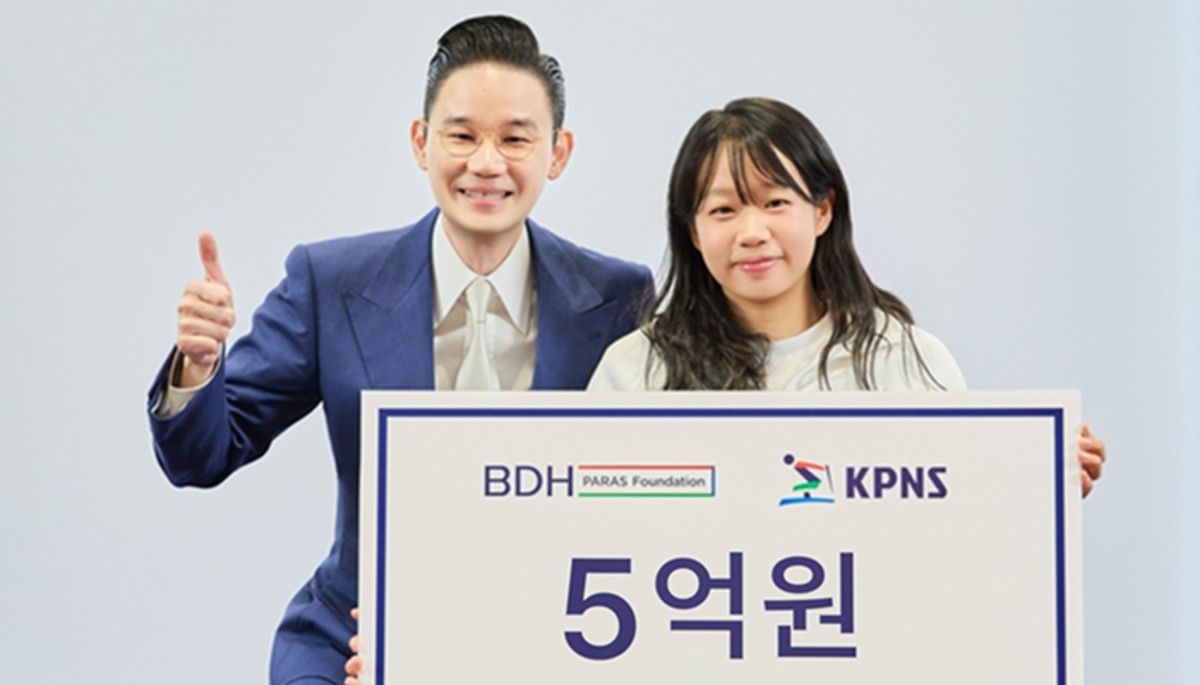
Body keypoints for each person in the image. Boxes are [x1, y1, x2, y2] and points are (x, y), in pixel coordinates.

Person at [147, 15, 652, 685]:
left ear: (557, 152)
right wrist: (198, 366)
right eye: (462, 135)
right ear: (421, 141)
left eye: (515, 138)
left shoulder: (617, 299)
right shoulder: (330, 282)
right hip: (351, 635)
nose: (486, 163)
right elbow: (203, 456)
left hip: (544, 639)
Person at [586, 97, 1105, 492]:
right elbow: (591, 523)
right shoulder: (635, 374)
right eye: (723, 210)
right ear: (693, 232)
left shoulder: (906, 362)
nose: (752, 232)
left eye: (775, 203)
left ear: (823, 210)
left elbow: (961, 510)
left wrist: (1040, 484)